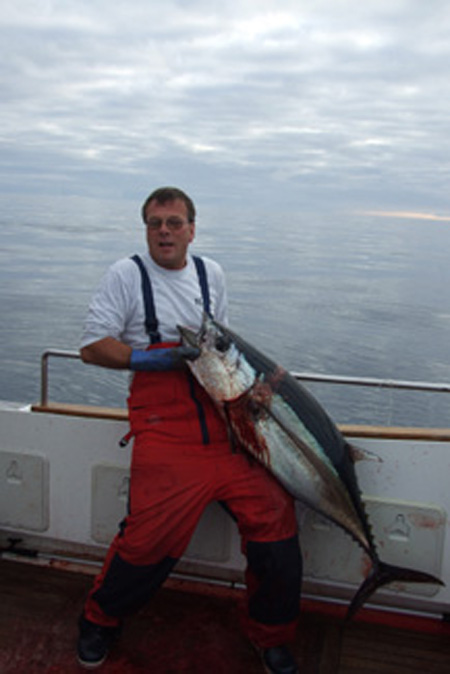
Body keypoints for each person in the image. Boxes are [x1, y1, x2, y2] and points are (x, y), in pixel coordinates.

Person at [77, 186, 302, 674]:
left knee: (277, 519)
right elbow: (93, 347)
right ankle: (100, 618)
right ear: (146, 230)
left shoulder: (211, 274)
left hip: (227, 426)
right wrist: (153, 359)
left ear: (191, 230)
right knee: (149, 539)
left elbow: (223, 348)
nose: (165, 231)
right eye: (156, 223)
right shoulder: (125, 275)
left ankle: (271, 636)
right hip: (165, 430)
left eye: (174, 223)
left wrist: (253, 391)